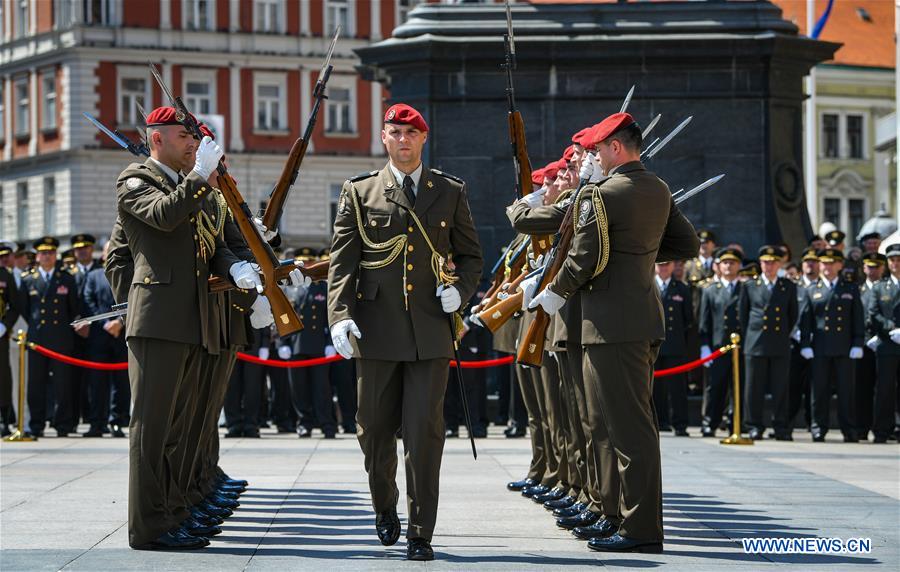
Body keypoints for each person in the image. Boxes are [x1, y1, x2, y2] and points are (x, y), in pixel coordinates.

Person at [529, 112, 699, 553]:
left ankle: (640, 529)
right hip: (638, 318)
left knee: (623, 428)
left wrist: (555, 292)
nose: (594, 159)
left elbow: (583, 257)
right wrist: (634, 254)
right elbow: (686, 244)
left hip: (609, 325)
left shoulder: (602, 195)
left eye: (599, 151)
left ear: (616, 149)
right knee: (625, 424)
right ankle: (621, 516)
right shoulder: (658, 188)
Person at [328, 103, 483, 561]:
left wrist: (462, 290)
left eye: (411, 133)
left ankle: (421, 531)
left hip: (430, 332)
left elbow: (471, 255)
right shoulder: (360, 192)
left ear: (423, 139)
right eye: (395, 132)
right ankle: (384, 505)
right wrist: (339, 315)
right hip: (375, 331)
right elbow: (342, 261)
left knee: (424, 434)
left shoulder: (448, 191)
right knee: (373, 431)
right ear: (383, 137)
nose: (403, 140)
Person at [112, 105, 256, 550]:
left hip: (192, 318)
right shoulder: (136, 180)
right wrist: (199, 179)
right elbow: (161, 216)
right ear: (157, 139)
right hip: (158, 319)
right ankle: (148, 527)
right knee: (152, 429)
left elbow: (213, 249)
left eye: (195, 139)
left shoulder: (188, 188)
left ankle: (174, 512)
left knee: (178, 429)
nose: (193, 145)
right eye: (183, 137)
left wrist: (239, 269)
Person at [799, 248, 864, 442]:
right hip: (820, 347)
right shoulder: (812, 289)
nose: (827, 267)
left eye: (831, 263)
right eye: (824, 263)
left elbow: (857, 318)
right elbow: (806, 320)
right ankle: (819, 427)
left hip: (845, 347)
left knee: (846, 391)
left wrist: (858, 342)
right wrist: (805, 344)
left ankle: (849, 428)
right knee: (819, 390)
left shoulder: (850, 288)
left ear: (840, 265)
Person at [18, 236, 80, 437]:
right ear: (37, 256)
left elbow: (73, 309)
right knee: (36, 384)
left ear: (56, 255)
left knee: (63, 385)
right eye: (43, 253)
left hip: (61, 339)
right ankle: (36, 424)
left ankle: (62, 423)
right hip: (37, 340)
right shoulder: (28, 279)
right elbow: (25, 310)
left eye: (51, 252)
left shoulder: (67, 278)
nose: (47, 256)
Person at [739, 245, 798, 440]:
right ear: (760, 263)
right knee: (753, 388)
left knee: (781, 388)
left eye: (773, 262)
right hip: (756, 342)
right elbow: (743, 316)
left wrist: (783, 334)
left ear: (779, 264)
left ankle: (781, 426)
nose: (769, 266)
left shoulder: (787, 286)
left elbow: (792, 314)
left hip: (779, 342)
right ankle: (754, 425)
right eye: (765, 262)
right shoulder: (750, 285)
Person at [82, 241, 130, 438]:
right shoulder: (93, 276)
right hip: (99, 338)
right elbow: (88, 300)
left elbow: (134, 299)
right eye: (107, 250)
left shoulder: (128, 273)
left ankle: (117, 421)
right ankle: (97, 422)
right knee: (97, 383)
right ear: (102, 255)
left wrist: (120, 322)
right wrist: (104, 325)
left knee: (121, 384)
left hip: (122, 335)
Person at [698, 247, 744, 437]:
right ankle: (710, 421)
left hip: (739, 348)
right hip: (718, 347)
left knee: (738, 387)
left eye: (732, 263)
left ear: (739, 266)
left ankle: (736, 423)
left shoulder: (745, 288)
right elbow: (704, 321)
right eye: (725, 262)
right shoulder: (710, 290)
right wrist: (704, 346)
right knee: (715, 387)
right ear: (719, 266)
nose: (728, 266)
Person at [864, 244, 900, 443]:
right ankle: (882, 429)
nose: (896, 264)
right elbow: (873, 313)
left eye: (899, 260)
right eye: (892, 260)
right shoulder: (880, 287)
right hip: (888, 343)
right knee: (885, 389)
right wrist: (890, 327)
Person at [653, 261, 692, 436]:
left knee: (677, 388)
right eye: (660, 264)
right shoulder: (647, 285)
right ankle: (660, 421)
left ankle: (680, 423)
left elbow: (688, 319)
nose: (663, 267)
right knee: (655, 387)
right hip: (653, 345)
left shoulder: (681, 288)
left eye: (667, 264)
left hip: (675, 345)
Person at [856, 252, 886, 439]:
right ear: (864, 268)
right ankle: (862, 426)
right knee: (862, 387)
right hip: (864, 344)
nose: (873, 270)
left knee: (884, 388)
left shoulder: (887, 288)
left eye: (877, 266)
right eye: (870, 266)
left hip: (884, 342)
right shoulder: (858, 290)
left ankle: (883, 428)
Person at [0, 242, 21, 436]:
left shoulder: (5, 276)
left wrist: (4, 325)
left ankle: (3, 419)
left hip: (0, 335)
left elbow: (15, 305)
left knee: (3, 377)